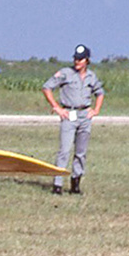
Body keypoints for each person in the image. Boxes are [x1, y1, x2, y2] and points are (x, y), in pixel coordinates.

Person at [43, 44, 104, 194]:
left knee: (81, 152)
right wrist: (57, 107)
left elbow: (100, 92)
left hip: (84, 115)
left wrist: (96, 110)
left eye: (80, 59)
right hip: (69, 114)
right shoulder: (65, 73)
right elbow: (47, 87)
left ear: (87, 60)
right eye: (76, 59)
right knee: (64, 150)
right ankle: (57, 184)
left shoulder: (91, 76)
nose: (77, 62)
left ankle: (75, 183)